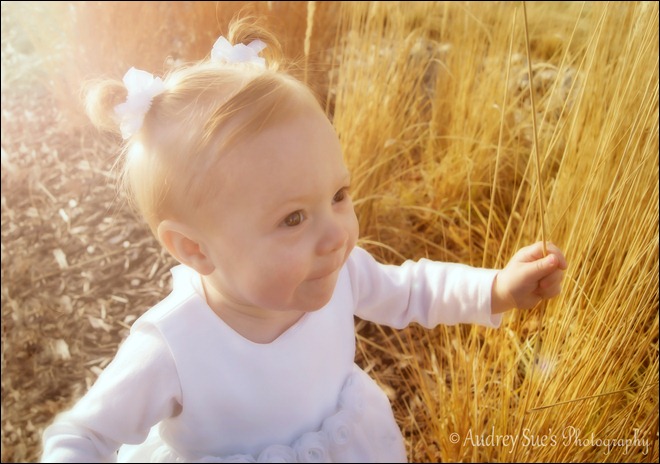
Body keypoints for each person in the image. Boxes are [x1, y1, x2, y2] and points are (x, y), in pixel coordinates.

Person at [41, 17, 567, 463]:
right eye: (293, 218)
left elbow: (410, 290)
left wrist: (497, 288)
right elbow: (82, 436)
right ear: (195, 249)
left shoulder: (336, 270)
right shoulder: (173, 346)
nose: (336, 234)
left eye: (338, 195)